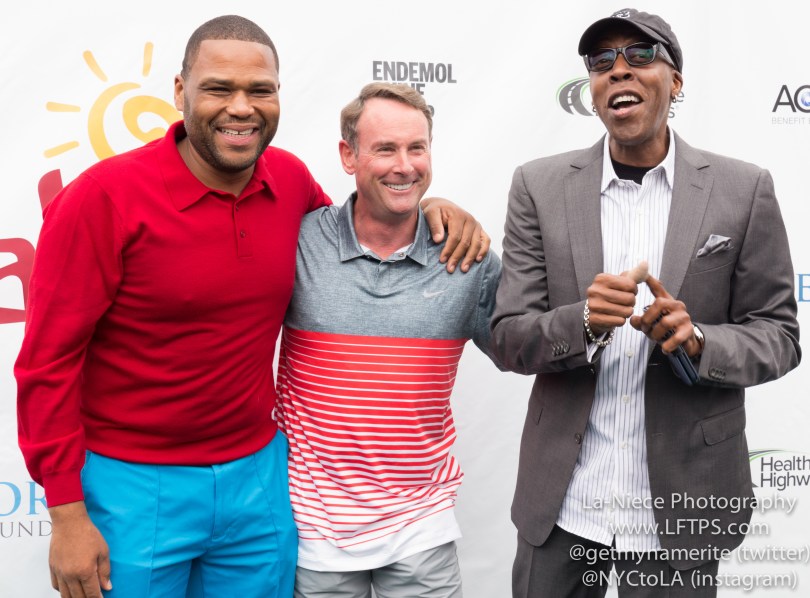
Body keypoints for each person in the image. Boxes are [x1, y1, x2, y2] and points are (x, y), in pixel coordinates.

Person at [15, 16, 487, 598]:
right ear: (181, 91)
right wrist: (65, 513)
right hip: (133, 484)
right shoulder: (101, 197)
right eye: (219, 88)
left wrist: (431, 207)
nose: (241, 107)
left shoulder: (288, 181)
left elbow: (362, 230)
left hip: (258, 480)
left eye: (260, 90)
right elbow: (47, 363)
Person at [491, 8, 800, 598]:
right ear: (592, 87)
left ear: (675, 81)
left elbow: (779, 336)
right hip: (563, 504)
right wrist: (583, 322)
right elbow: (508, 336)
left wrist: (699, 341)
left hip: (682, 504)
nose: (618, 70)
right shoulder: (538, 186)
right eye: (601, 61)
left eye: (640, 55)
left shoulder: (743, 189)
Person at [274, 82, 502, 598]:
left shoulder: (466, 255)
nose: (404, 166)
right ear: (348, 156)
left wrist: (589, 323)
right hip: (315, 533)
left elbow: (522, 348)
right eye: (385, 149)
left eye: (416, 148)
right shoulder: (299, 242)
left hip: (422, 529)